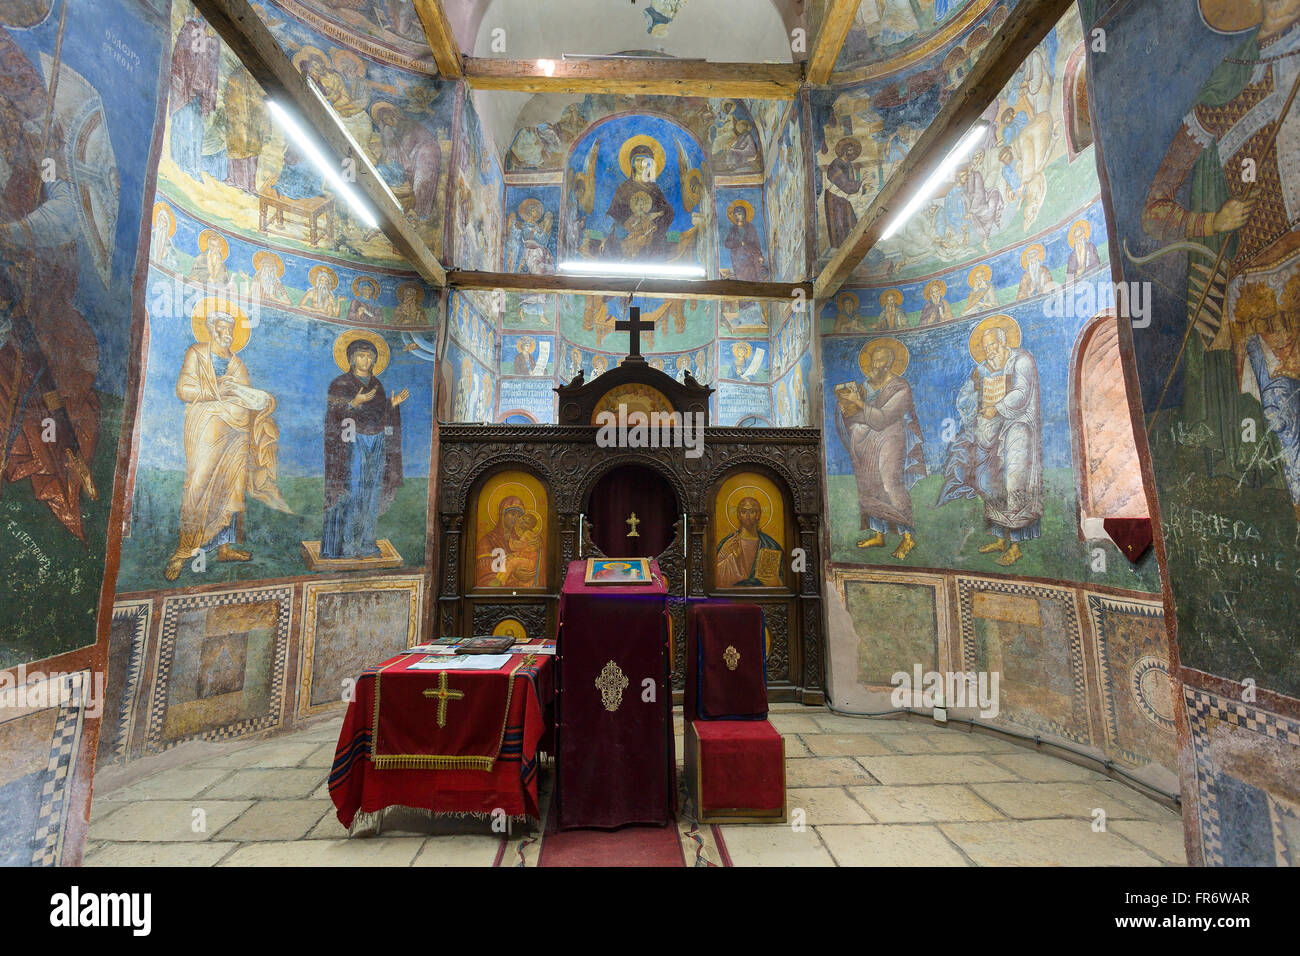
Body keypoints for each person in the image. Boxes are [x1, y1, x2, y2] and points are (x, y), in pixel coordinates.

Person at [164, 310, 291, 580]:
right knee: (199, 483)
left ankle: (225, 547)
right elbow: (183, 390)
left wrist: (263, 403)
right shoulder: (196, 354)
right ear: (210, 329)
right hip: (206, 428)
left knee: (233, 486)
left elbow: (246, 397)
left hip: (237, 431)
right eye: (221, 328)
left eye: (230, 330)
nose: (227, 334)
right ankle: (185, 549)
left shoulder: (237, 363)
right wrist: (216, 391)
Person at [937, 319, 1042, 566]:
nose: (990, 351)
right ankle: (998, 535)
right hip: (990, 428)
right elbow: (966, 396)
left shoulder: (1022, 360)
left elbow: (1022, 392)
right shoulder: (981, 369)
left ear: (1003, 342)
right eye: (985, 348)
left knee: (1013, 478)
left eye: (993, 344)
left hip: (1018, 424)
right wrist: (973, 406)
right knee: (986, 478)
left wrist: (997, 407)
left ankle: (1015, 545)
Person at [834, 342, 925, 560]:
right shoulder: (865, 387)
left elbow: (883, 418)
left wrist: (857, 402)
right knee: (869, 485)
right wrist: (845, 406)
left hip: (891, 438)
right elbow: (855, 415)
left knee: (890, 483)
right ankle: (878, 534)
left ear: (891, 363)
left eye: (881, 360)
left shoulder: (900, 388)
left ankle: (908, 536)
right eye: (874, 359)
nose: (876, 364)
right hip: (866, 441)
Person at [321, 335, 406, 560]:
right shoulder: (340, 384)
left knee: (372, 491)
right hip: (352, 442)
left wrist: (392, 406)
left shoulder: (377, 385)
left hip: (376, 441)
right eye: (361, 355)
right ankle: (348, 544)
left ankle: (367, 542)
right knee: (354, 491)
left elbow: (380, 415)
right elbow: (334, 414)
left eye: (370, 356)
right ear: (351, 359)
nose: (365, 360)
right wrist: (353, 403)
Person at [716, 496, 783, 587]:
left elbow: (784, 576)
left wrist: (778, 582)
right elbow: (713, 574)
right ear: (739, 515)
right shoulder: (729, 543)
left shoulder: (770, 545)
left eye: (752, 511)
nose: (747, 516)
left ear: (758, 515)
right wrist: (730, 558)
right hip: (734, 596)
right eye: (744, 512)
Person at [723, 201, 769, 281]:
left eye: (739, 214)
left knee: (753, 274)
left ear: (744, 215)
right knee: (742, 276)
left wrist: (760, 255)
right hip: (738, 258)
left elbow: (756, 242)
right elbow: (727, 243)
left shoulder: (750, 227)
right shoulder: (733, 229)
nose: (737, 217)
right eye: (736, 215)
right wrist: (739, 243)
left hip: (750, 256)